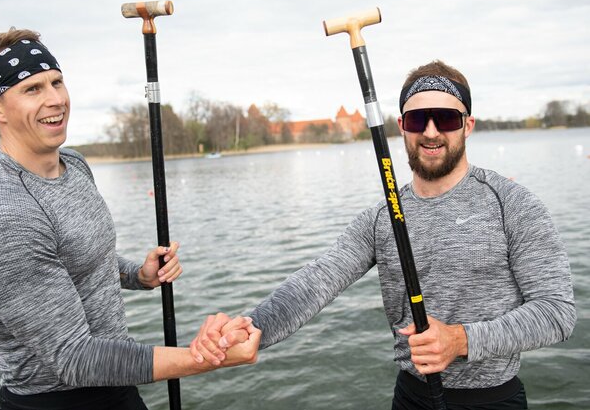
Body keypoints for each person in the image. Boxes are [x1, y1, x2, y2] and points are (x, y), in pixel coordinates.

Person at [190, 60, 576, 409]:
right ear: (400, 126)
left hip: (493, 399)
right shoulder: (381, 217)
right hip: (410, 396)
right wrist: (254, 325)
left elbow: (557, 312)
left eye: (445, 118)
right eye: (416, 119)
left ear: (468, 125)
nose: (430, 132)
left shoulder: (511, 203)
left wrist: (461, 340)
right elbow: (319, 278)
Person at [0, 28, 259, 410]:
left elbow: (72, 257)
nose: (55, 99)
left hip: (117, 385)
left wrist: (137, 275)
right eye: (32, 89)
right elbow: (74, 358)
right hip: (57, 402)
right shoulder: (0, 217)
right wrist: (206, 357)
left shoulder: (75, 165)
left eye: (57, 82)